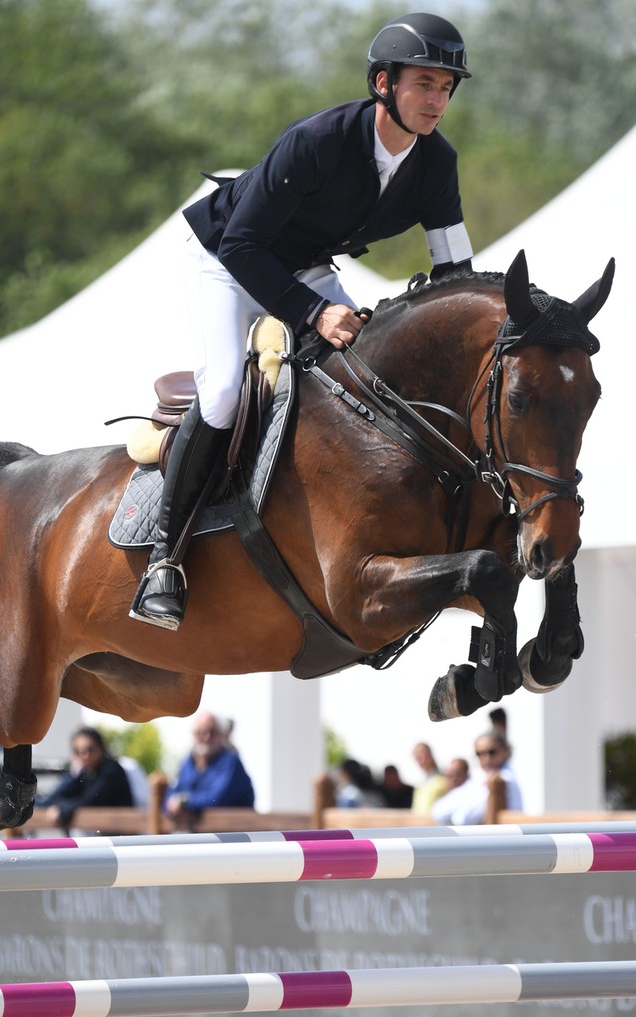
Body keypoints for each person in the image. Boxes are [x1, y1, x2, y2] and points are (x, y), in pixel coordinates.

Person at [130, 11, 474, 630]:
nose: (437, 99)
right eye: (424, 83)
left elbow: (456, 275)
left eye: (447, 87)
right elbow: (241, 246)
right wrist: (314, 311)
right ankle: (165, 557)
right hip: (225, 258)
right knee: (225, 394)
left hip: (305, 264)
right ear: (383, 84)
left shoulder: (435, 162)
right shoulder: (316, 142)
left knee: (370, 372)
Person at [162, 711, 255, 827]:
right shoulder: (188, 762)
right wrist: (172, 805)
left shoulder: (231, 762)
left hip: (233, 836)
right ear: (193, 735)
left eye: (212, 732)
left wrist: (184, 802)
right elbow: (171, 796)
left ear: (221, 735)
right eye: (199, 732)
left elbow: (216, 799)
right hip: (200, 836)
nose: (206, 737)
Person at [40, 727, 133, 830]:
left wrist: (61, 808)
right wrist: (73, 774)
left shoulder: (111, 770)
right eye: (77, 751)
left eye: (90, 749)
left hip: (121, 834)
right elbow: (53, 799)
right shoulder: (85, 773)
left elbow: (89, 800)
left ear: (101, 748)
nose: (84, 755)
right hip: (102, 833)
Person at [432, 731, 522, 825]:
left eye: (492, 752)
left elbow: (463, 818)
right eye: (479, 754)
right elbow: (439, 811)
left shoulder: (504, 778)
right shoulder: (479, 775)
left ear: (504, 751)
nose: (486, 758)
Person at [411, 741, 448, 813]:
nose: (418, 757)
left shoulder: (444, 779)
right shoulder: (419, 782)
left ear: (430, 754)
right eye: (416, 754)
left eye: (421, 753)